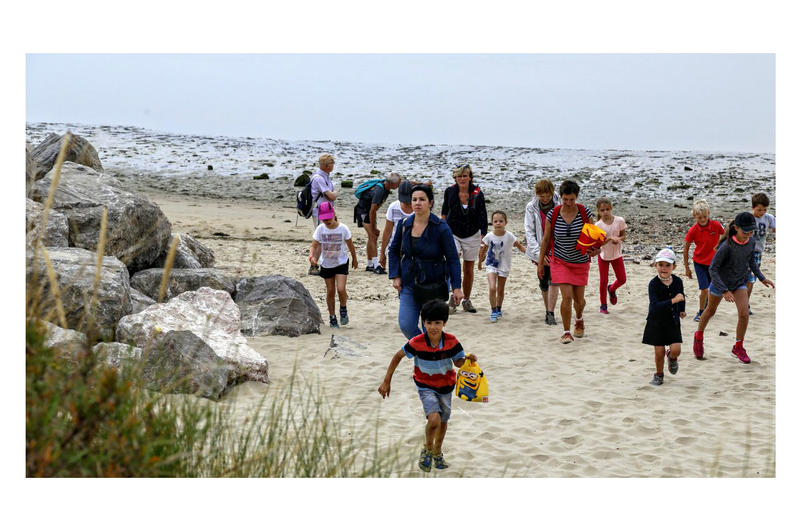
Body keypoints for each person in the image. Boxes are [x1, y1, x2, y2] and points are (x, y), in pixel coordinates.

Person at [378, 299, 478, 472]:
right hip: (425, 386)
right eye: (429, 322)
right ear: (423, 322)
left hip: (446, 386)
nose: (433, 327)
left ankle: (437, 452)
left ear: (444, 323)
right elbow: (398, 356)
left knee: (444, 421)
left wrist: (468, 359)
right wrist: (387, 381)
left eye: (437, 323)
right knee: (434, 419)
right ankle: (427, 449)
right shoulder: (416, 342)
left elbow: (458, 363)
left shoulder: (452, 341)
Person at [693, 212, 775, 364]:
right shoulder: (726, 246)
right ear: (736, 228)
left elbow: (752, 262)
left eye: (751, 231)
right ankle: (698, 337)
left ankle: (738, 347)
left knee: (744, 314)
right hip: (720, 283)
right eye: (746, 232)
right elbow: (713, 269)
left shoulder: (751, 242)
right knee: (710, 311)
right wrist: (724, 290)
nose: (749, 235)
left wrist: (762, 278)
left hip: (739, 283)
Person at [388, 184, 463, 339]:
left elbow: (453, 259)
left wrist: (456, 287)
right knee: (406, 325)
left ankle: (428, 359)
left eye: (422, 199)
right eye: (414, 199)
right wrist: (395, 275)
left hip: (434, 283)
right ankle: (423, 351)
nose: (417, 203)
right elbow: (394, 251)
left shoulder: (441, 227)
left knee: (431, 328)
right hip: (408, 281)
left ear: (430, 202)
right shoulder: (404, 224)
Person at [537, 180, 602, 344]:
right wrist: (540, 262)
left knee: (579, 300)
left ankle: (579, 318)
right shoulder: (554, 213)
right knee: (566, 297)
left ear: (577, 197)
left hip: (580, 261)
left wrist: (597, 250)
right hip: (559, 260)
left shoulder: (584, 213)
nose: (568, 203)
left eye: (572, 199)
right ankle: (566, 332)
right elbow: (545, 239)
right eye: (565, 199)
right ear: (561, 197)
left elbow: (594, 239)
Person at [441, 163, 488, 314]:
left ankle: (466, 300)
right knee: (453, 262)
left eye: (465, 176)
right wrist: (441, 230)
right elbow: (444, 212)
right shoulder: (450, 191)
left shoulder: (477, 192)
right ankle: (453, 297)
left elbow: (483, 213)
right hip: (452, 232)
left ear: (470, 177)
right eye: (459, 176)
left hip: (472, 233)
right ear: (455, 178)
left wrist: (483, 234)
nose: (462, 178)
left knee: (468, 269)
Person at [308, 202, 358, 328]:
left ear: (334, 214)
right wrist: (312, 256)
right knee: (330, 291)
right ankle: (332, 317)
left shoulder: (343, 228)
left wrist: (355, 259)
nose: (326, 221)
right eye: (324, 219)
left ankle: (343, 308)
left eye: (328, 217)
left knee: (341, 289)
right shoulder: (320, 229)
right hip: (327, 264)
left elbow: (351, 245)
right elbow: (314, 245)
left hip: (341, 262)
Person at [643, 248, 686, 386]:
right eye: (660, 264)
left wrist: (682, 310)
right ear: (655, 265)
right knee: (659, 351)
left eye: (668, 265)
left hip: (673, 321)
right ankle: (659, 374)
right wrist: (673, 301)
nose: (664, 268)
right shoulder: (653, 284)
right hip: (656, 322)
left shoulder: (678, 281)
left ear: (674, 266)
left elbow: (681, 297)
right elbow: (655, 306)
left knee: (676, 350)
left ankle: (672, 358)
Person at [478, 211, 526, 323]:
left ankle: (499, 308)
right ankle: (493, 310)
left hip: (504, 265)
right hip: (491, 264)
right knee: (492, 288)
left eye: (501, 221)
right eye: (495, 221)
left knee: (500, 289)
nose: (498, 223)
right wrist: (480, 262)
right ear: (492, 223)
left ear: (506, 222)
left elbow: (519, 246)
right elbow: (483, 249)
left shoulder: (509, 236)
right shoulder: (489, 236)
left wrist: (529, 253)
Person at [524, 178, 560, 325]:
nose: (545, 199)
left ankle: (550, 312)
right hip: (540, 247)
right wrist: (539, 253)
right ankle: (547, 309)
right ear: (536, 194)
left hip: (557, 247)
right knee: (544, 281)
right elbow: (529, 231)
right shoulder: (531, 207)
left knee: (555, 280)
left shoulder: (560, 203)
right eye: (542, 196)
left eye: (548, 196)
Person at [682, 199, 725, 322]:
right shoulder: (693, 230)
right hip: (699, 263)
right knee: (704, 289)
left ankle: (708, 309)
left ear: (708, 214)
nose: (702, 219)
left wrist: (721, 248)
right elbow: (686, 249)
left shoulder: (716, 225)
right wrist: (687, 268)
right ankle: (701, 311)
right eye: (699, 217)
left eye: (704, 217)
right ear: (694, 216)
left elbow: (725, 235)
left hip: (714, 263)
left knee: (713, 289)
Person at [354, 172, 402, 274]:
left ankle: (370, 264)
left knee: (373, 236)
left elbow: (373, 211)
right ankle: (376, 265)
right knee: (372, 236)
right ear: (392, 184)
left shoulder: (385, 185)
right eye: (398, 184)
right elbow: (372, 211)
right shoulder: (379, 190)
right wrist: (373, 227)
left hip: (368, 212)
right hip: (363, 211)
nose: (399, 186)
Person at [594, 197, 627, 314]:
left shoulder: (619, 220)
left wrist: (618, 239)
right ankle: (603, 305)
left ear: (611, 208)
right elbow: (598, 244)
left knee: (622, 279)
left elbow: (623, 235)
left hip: (616, 254)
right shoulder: (597, 225)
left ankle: (611, 289)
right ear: (598, 211)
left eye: (607, 209)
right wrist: (608, 239)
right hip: (603, 255)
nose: (605, 212)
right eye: (602, 210)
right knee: (603, 280)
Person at [308, 153, 338, 275]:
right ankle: (313, 266)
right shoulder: (319, 178)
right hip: (320, 211)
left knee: (325, 237)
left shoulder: (324, 176)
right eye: (332, 163)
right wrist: (336, 193)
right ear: (326, 165)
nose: (333, 165)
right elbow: (330, 195)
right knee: (320, 238)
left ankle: (323, 264)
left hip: (326, 210)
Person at [746, 193, 776, 314]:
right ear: (752, 207)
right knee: (746, 278)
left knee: (751, 280)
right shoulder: (748, 217)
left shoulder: (768, 218)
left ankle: (745, 304)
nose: (762, 212)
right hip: (745, 250)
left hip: (758, 252)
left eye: (764, 209)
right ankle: (744, 304)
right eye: (759, 210)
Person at [378, 180, 414, 271]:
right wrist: (382, 253)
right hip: (395, 248)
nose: (407, 203)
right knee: (397, 280)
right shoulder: (393, 207)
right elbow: (388, 231)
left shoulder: (418, 207)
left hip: (414, 249)